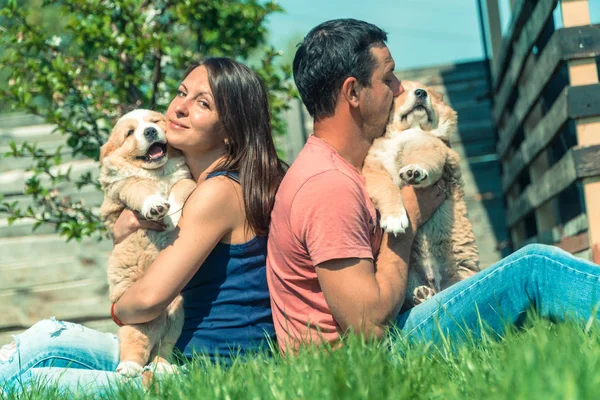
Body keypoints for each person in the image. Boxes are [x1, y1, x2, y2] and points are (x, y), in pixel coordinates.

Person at [266, 18, 600, 353]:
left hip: (382, 339)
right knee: (533, 269)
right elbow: (368, 325)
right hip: (363, 361)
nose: (399, 88)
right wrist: (408, 220)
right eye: (388, 77)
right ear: (353, 92)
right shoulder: (327, 186)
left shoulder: (343, 169)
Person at [0, 57, 286, 394]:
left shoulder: (218, 192)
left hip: (205, 369)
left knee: (30, 382)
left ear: (229, 130)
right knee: (43, 340)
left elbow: (148, 298)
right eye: (181, 93)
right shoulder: (195, 183)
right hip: (171, 351)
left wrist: (118, 308)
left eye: (202, 103)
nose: (179, 108)